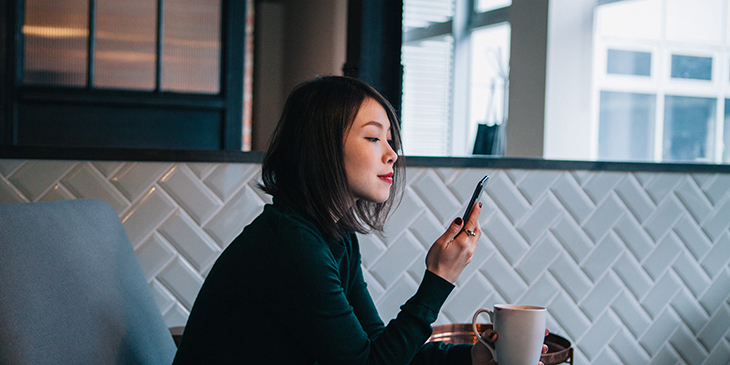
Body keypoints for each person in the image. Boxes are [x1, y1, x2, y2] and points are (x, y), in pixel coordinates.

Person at [172, 76, 546, 364]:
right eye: (372, 138)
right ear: (323, 147)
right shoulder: (289, 245)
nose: (391, 155)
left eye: (390, 140)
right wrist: (439, 279)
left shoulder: (334, 239)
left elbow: (379, 350)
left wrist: (473, 357)